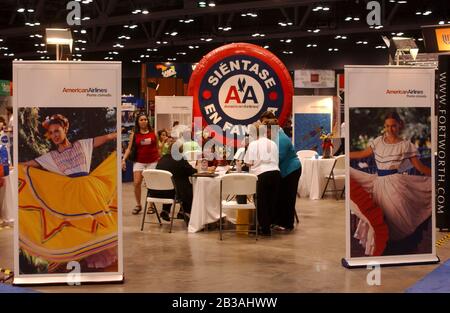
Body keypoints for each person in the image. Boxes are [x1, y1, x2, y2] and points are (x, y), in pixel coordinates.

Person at [19, 113, 118, 272]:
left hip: (90, 189)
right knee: (81, 226)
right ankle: (83, 262)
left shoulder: (82, 145)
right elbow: (27, 165)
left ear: (65, 128)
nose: (54, 136)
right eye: (51, 133)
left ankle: (99, 262)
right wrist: (10, 167)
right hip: (71, 195)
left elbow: (107, 137)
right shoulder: (50, 157)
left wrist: (120, 134)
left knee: (100, 223)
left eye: (57, 131)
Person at [350, 112, 431, 255]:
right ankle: (385, 247)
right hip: (379, 184)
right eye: (387, 126)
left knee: (397, 215)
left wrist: (438, 175)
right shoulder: (378, 141)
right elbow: (362, 154)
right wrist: (345, 154)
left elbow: (419, 167)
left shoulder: (406, 145)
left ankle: (399, 248)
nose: (390, 129)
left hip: (396, 184)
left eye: (393, 126)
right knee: (383, 214)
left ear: (399, 125)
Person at [260, 114, 301, 232]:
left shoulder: (281, 139)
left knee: (288, 197)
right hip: (284, 169)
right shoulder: (275, 137)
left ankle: (287, 224)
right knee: (280, 196)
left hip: (291, 170)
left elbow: (278, 158)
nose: (265, 135)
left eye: (266, 132)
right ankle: (277, 221)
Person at [244, 121, 281, 236]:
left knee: (262, 202)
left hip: (261, 174)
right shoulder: (273, 144)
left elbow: (248, 162)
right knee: (272, 201)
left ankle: (264, 228)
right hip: (275, 173)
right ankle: (269, 224)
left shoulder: (253, 144)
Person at [150, 137, 197, 221]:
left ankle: (165, 210)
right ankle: (184, 212)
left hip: (156, 192)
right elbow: (192, 172)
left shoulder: (162, 159)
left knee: (170, 183)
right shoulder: (180, 159)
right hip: (173, 193)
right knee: (189, 187)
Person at [122, 113, 160, 215]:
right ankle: (138, 205)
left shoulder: (154, 133)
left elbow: (158, 147)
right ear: (138, 122)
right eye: (141, 120)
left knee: (150, 184)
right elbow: (129, 148)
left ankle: (151, 206)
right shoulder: (134, 134)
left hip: (153, 161)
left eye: (145, 119)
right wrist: (123, 159)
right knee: (137, 182)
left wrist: (160, 159)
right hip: (139, 161)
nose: (144, 121)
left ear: (148, 121)